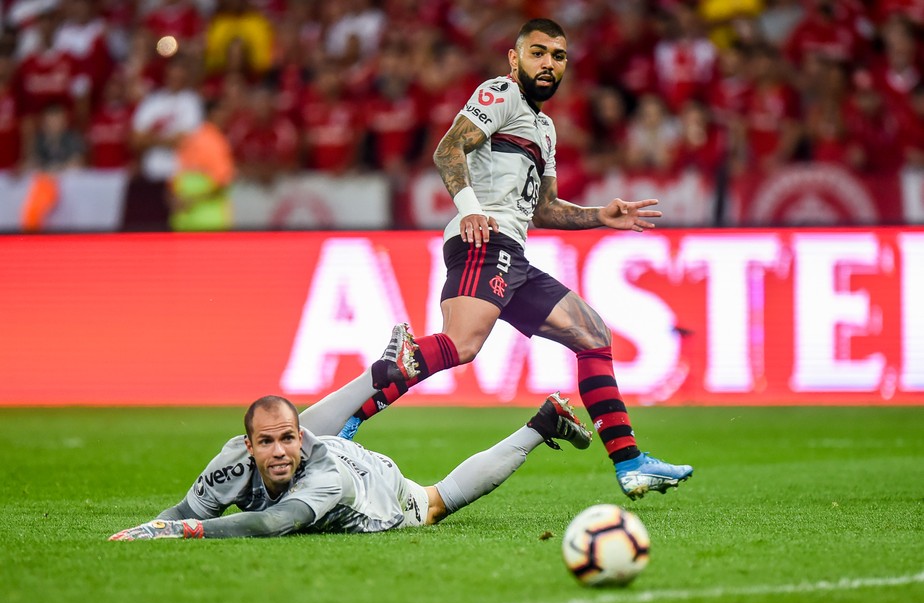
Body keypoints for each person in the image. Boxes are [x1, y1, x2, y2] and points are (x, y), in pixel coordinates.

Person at [339, 19, 693, 501]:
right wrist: (471, 212)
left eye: (559, 56)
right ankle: (354, 414)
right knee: (462, 345)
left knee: (593, 336)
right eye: (539, 53)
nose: (549, 63)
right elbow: (448, 151)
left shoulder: (544, 129)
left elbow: (544, 208)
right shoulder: (499, 92)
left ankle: (630, 462)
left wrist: (600, 215)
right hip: (485, 241)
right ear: (514, 59)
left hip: (512, 253)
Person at [108, 325, 592, 540]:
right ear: (246, 446)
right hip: (332, 443)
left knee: (436, 502)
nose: (277, 450)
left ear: (298, 442)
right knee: (313, 426)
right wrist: (155, 527)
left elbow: (271, 524)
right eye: (266, 442)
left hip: (371, 489)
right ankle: (379, 372)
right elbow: (182, 510)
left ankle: (540, 426)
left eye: (285, 439)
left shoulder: (323, 480)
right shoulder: (234, 460)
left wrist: (185, 531)